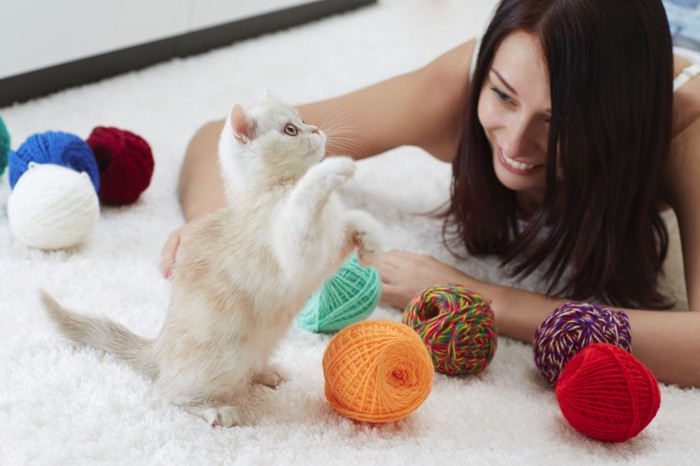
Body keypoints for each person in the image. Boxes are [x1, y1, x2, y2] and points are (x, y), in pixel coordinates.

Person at [162, 0, 700, 388]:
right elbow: (224, 135)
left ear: (623, 121)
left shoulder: (684, 129)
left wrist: (487, 298)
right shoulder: (461, 87)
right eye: (503, 97)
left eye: (557, 122)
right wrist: (220, 230)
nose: (515, 142)